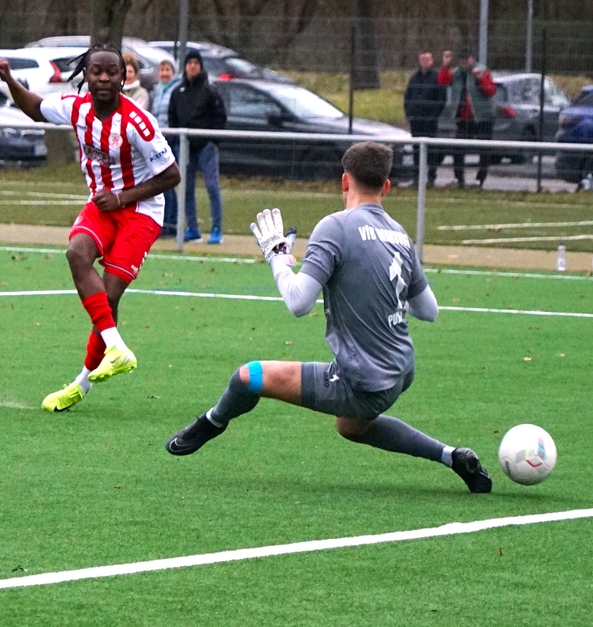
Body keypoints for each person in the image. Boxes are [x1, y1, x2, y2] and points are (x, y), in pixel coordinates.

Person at [165, 141, 492, 494]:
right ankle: (453, 457)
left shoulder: (335, 227)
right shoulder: (399, 234)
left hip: (363, 379)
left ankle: (212, 421)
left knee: (249, 376)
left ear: (344, 181)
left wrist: (277, 256)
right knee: (350, 427)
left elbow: (298, 303)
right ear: (386, 187)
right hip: (401, 370)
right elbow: (429, 310)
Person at [0, 44, 180, 412]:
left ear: (123, 78)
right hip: (103, 205)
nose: (104, 78)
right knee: (76, 253)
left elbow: (171, 175)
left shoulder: (138, 122)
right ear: (86, 76)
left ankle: (80, 384)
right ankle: (117, 348)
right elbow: (34, 107)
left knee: (108, 297)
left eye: (112, 72)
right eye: (97, 72)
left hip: (140, 211)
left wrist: (122, 197)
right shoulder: (76, 108)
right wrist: (10, 79)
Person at [168, 49, 227, 244]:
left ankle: (216, 228)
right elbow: (173, 118)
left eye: (196, 63)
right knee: (186, 188)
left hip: (206, 146)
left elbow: (220, 116)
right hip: (185, 147)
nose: (192, 66)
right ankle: (192, 228)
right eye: (189, 63)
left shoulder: (210, 91)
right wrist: (176, 142)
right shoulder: (178, 92)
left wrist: (213, 141)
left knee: (212, 186)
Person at [439, 49, 497, 188]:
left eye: (467, 58)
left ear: (472, 58)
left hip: (482, 117)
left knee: (484, 150)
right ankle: (459, 179)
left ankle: (479, 180)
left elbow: (490, 90)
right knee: (458, 149)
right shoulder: (457, 73)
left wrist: (480, 79)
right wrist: (445, 65)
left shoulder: (482, 71)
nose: (464, 62)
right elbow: (443, 82)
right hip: (464, 118)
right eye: (461, 59)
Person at [403, 50, 445, 187]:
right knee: (416, 150)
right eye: (422, 59)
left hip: (430, 121)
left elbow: (441, 99)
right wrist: (409, 113)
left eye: (427, 59)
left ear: (432, 60)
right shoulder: (415, 77)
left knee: (431, 149)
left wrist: (433, 116)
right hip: (416, 120)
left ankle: (431, 177)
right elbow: (408, 96)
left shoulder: (437, 77)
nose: (424, 62)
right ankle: (417, 177)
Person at [149, 58, 179, 237]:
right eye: (162, 70)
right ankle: (163, 222)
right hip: (158, 140)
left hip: (171, 140)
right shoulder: (156, 91)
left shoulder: (176, 89)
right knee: (160, 183)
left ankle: (171, 223)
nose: (164, 73)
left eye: (168, 70)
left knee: (169, 181)